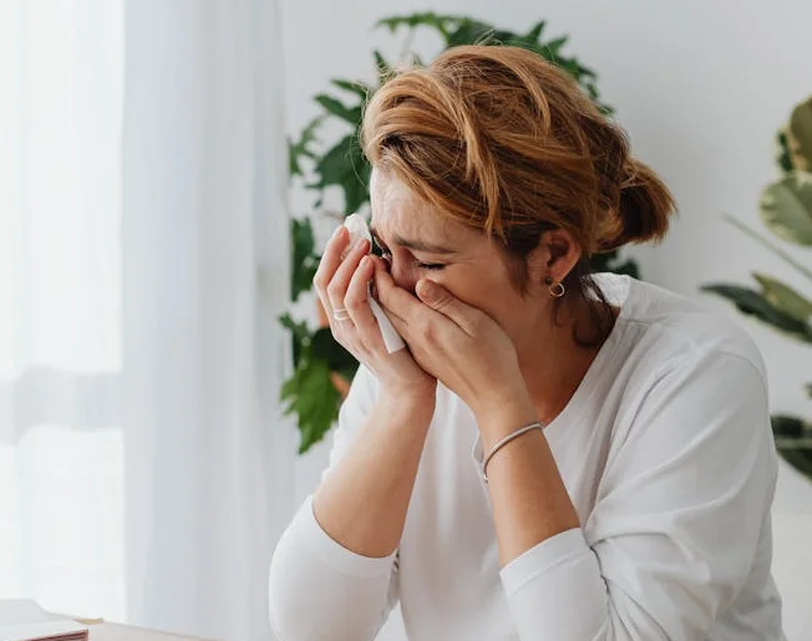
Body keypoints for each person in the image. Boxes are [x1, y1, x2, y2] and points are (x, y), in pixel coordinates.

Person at [268, 45, 784, 641]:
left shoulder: (697, 375)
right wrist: (403, 403)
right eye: (385, 249)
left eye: (430, 259)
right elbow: (311, 631)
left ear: (552, 256)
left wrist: (499, 406)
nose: (394, 284)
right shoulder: (405, 369)